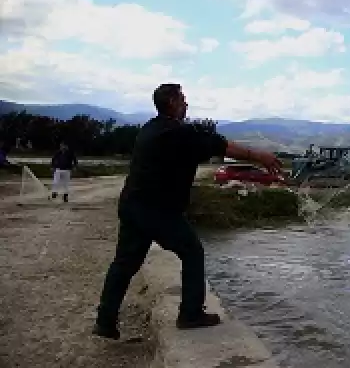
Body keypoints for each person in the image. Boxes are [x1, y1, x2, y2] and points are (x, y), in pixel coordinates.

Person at [92, 83, 283, 340]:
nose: (186, 104)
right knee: (192, 251)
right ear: (172, 102)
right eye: (182, 99)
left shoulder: (150, 129)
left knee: (125, 263)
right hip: (157, 210)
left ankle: (105, 321)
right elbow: (221, 146)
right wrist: (261, 157)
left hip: (132, 205)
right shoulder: (179, 133)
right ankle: (190, 314)